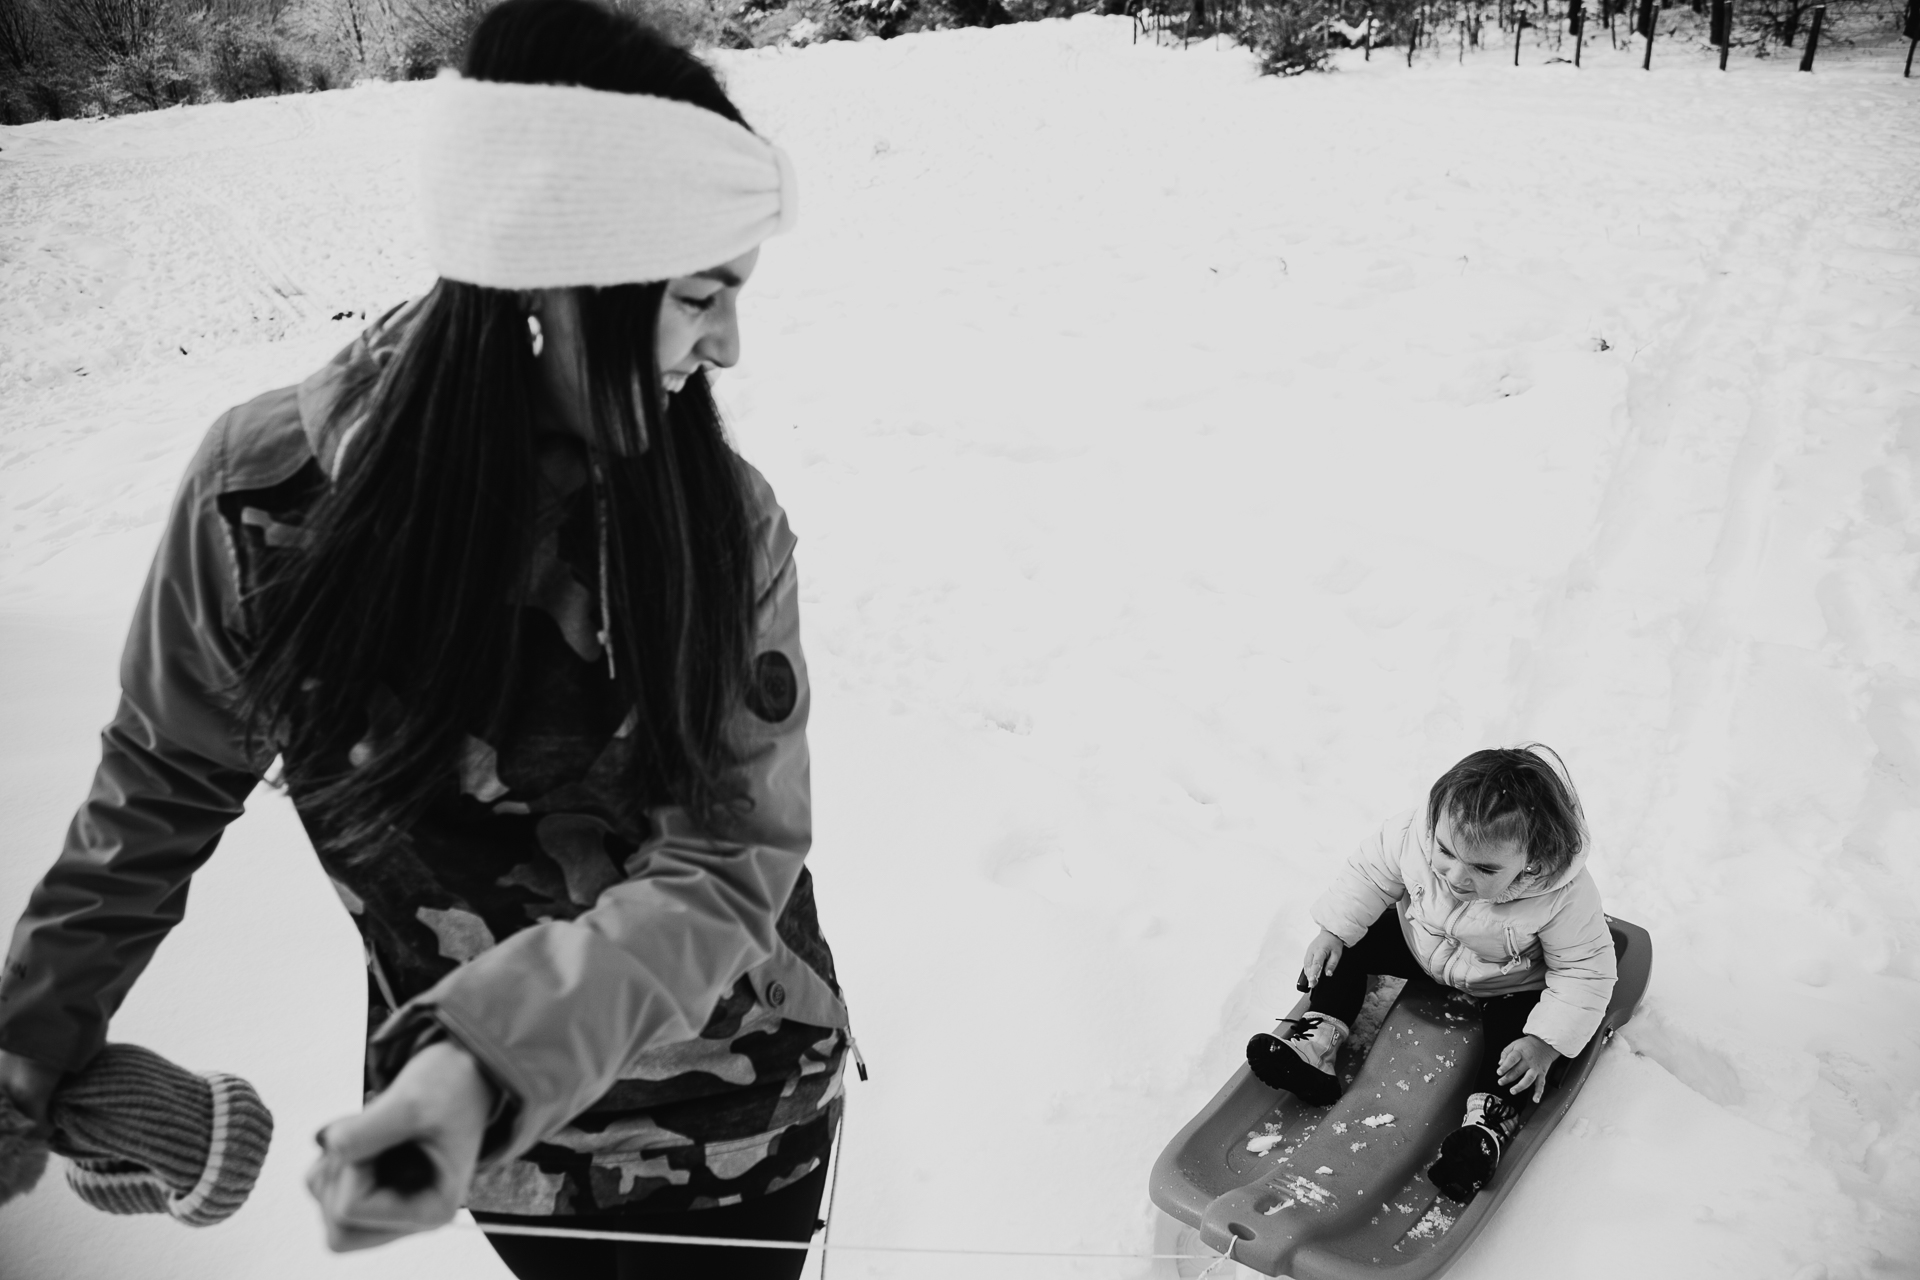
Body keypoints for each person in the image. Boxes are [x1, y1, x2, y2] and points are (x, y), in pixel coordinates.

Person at [0, 2, 849, 1275]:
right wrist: (31, 1045)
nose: (727, 343)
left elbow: (732, 854)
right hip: (480, 1146)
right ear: (553, 288)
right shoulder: (258, 499)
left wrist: (479, 1067)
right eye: (697, 296)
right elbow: (160, 783)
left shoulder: (724, 520)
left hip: (729, 1120)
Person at [1245, 745, 1616, 1203]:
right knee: (1351, 945)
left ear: (1534, 861)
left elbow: (1584, 971)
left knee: (1515, 1050)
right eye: (1445, 851)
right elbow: (1370, 874)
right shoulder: (1412, 833)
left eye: (1484, 868)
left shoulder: (1563, 898)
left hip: (1506, 979)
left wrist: (1545, 1042)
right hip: (1421, 943)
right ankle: (1317, 1042)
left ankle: (1484, 1128)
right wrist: (1333, 931)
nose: (1456, 876)